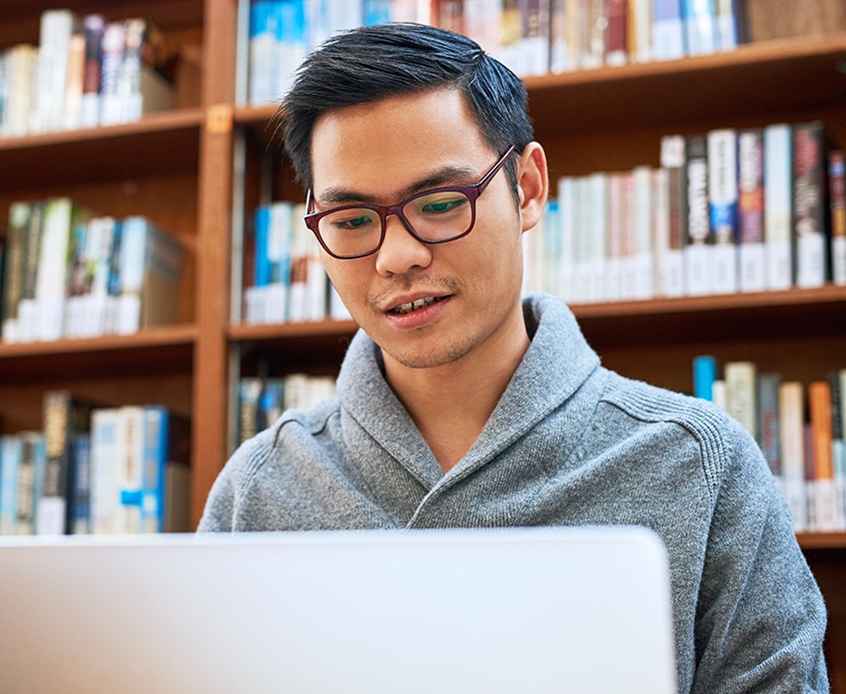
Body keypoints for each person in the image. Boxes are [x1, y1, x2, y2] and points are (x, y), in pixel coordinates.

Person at [198, 22, 828, 692]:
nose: (396, 256)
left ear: (527, 188)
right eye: (352, 221)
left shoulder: (701, 466)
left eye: (439, 204)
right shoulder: (260, 489)